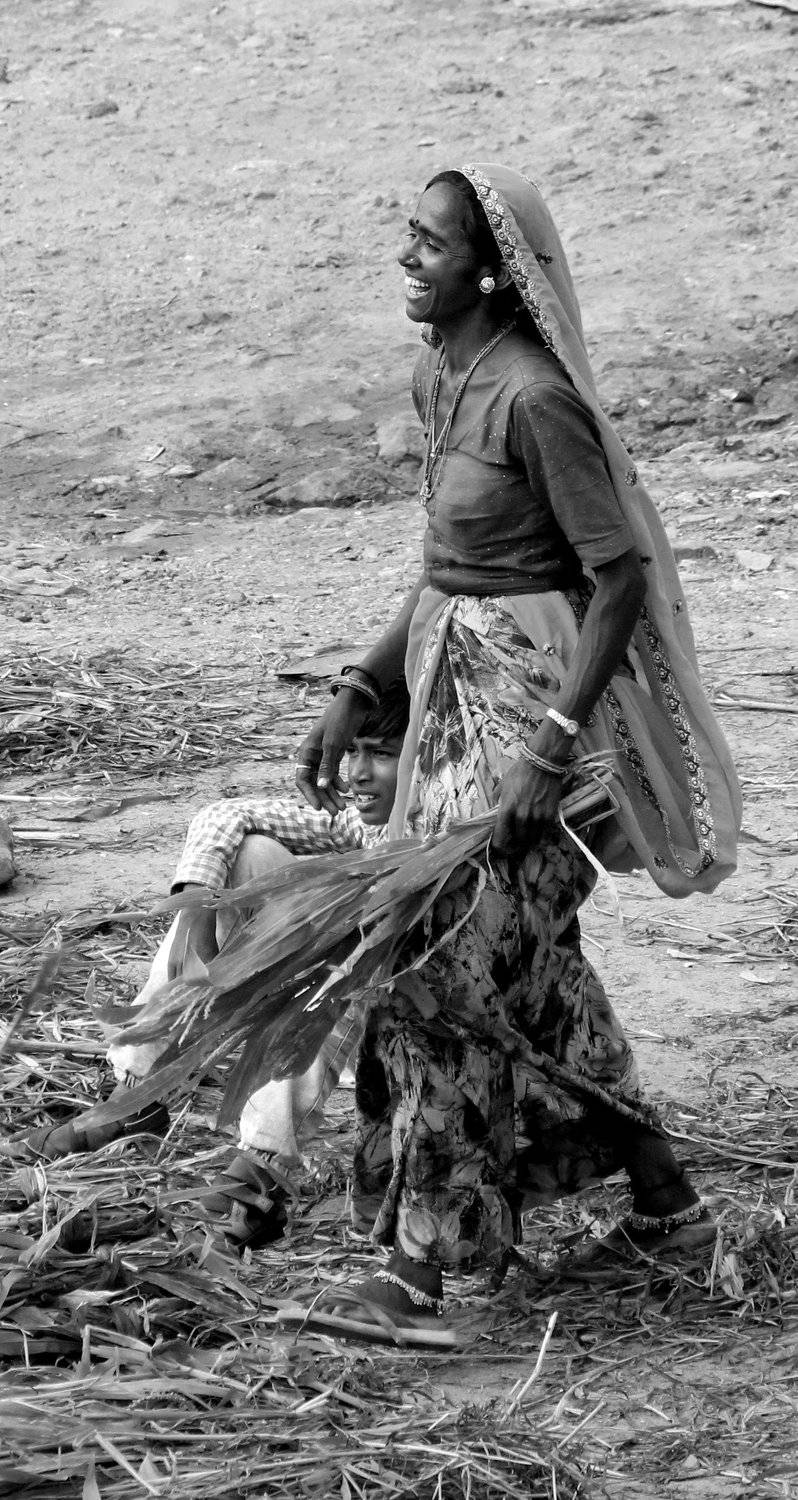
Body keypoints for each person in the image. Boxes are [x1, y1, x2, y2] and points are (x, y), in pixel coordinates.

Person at [294, 164, 741, 1329]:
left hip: (531, 726)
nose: (408, 256)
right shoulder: (442, 375)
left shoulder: (538, 402)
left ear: (491, 271)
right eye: (408, 233)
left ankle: (418, 1271)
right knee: (527, 971)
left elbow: (618, 577)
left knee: (431, 970)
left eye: (432, 243)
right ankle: (669, 1202)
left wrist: (550, 745)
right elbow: (449, 568)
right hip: (452, 704)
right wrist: (363, 684)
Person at [24, 679, 410, 1250]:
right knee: (243, 858)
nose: (356, 774)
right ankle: (138, 1093)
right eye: (351, 751)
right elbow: (225, 813)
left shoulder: (438, 828)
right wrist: (198, 902)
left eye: (381, 754)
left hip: (399, 1019)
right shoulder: (362, 824)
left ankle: (263, 1163)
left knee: (344, 969)